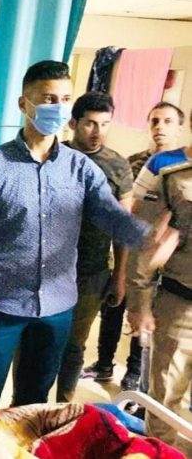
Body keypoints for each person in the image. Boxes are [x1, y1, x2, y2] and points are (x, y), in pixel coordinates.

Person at [0, 60, 175, 410]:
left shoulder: (80, 168)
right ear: (24, 103)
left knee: (35, 403)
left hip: (57, 307)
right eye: (48, 99)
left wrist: (146, 238)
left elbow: (109, 214)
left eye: (65, 99)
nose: (58, 108)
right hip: (1, 304)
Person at [81, 101, 185, 389]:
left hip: (164, 262)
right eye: (154, 121)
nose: (160, 127)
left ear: (180, 128)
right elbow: (127, 210)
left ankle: (134, 373)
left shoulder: (180, 166)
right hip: (131, 248)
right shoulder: (136, 163)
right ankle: (104, 364)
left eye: (167, 121)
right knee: (115, 308)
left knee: (147, 319)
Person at [55, 91, 135, 402]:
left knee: (75, 345)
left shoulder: (117, 165)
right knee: (41, 341)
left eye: (105, 124)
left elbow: (122, 225)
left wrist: (120, 276)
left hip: (91, 271)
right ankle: (30, 403)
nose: (97, 132)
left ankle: (64, 404)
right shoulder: (55, 156)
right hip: (50, 269)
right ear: (73, 123)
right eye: (90, 123)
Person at [128, 140, 190, 456]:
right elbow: (146, 243)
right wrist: (139, 303)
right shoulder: (172, 175)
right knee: (166, 401)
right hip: (180, 308)